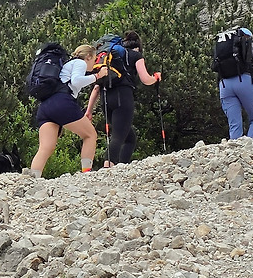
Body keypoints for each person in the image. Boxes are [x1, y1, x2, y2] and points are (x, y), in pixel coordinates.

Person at [87, 31, 161, 167]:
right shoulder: (135, 55)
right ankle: (108, 166)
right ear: (137, 46)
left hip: (105, 99)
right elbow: (146, 79)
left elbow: (97, 87)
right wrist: (156, 77)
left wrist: (89, 111)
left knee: (129, 138)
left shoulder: (111, 58)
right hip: (123, 97)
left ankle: (122, 167)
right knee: (118, 136)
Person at [30, 45, 107, 175]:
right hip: (62, 102)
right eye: (94, 59)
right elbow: (76, 81)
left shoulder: (67, 65)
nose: (94, 63)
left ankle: (32, 179)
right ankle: (86, 173)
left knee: (45, 148)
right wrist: (97, 76)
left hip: (46, 106)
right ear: (88, 57)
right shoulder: (80, 63)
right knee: (90, 135)